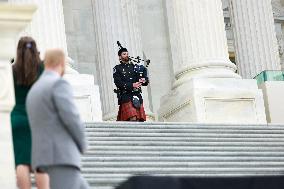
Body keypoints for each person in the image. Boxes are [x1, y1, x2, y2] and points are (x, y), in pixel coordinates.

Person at [26, 49, 89, 189]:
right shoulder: (59, 84)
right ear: (62, 63)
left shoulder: (34, 89)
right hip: (60, 156)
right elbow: (72, 117)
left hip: (42, 157)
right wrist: (83, 143)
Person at [10, 36, 49, 189]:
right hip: (38, 119)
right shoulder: (43, 69)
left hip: (17, 118)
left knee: (21, 162)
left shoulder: (11, 70)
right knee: (40, 163)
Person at [113, 48, 149, 121]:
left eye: (127, 54)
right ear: (120, 57)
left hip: (136, 95)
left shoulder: (134, 67)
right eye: (124, 54)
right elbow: (118, 83)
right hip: (126, 96)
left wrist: (144, 80)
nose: (126, 55)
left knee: (139, 118)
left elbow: (143, 78)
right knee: (132, 117)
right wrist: (132, 85)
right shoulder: (117, 68)